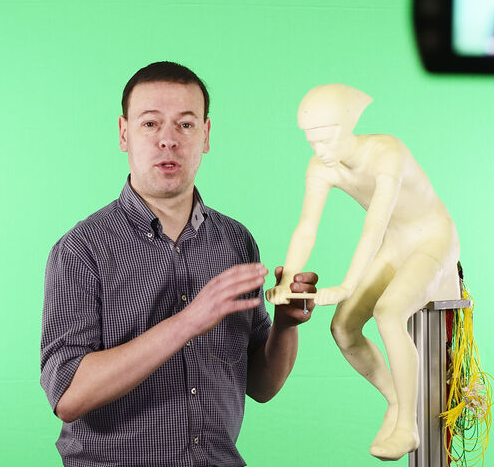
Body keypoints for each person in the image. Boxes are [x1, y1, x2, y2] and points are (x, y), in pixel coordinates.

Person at [40, 61, 318, 467]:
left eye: (185, 125)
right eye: (150, 124)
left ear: (205, 135)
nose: (168, 140)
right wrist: (190, 320)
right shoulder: (81, 250)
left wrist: (286, 326)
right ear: (124, 133)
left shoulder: (236, 241)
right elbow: (67, 396)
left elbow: (261, 385)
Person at [265, 84, 461, 461]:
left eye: (326, 138)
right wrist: (289, 278)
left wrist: (346, 286)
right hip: (395, 244)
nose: (319, 149)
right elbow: (307, 226)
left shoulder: (386, 152)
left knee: (389, 313)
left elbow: (374, 224)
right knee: (342, 328)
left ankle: (408, 426)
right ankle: (396, 400)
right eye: (311, 141)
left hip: (433, 240)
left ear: (348, 125)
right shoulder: (321, 166)